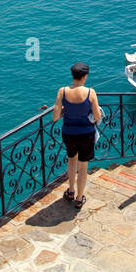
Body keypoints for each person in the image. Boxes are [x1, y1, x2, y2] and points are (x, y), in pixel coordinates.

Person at [53, 62, 101, 209]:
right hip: (86, 134)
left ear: (73, 75)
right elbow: (98, 117)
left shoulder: (62, 91)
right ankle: (79, 199)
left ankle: (71, 191)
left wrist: (66, 111)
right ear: (85, 77)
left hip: (69, 133)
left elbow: (55, 117)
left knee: (71, 160)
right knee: (83, 166)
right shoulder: (90, 92)